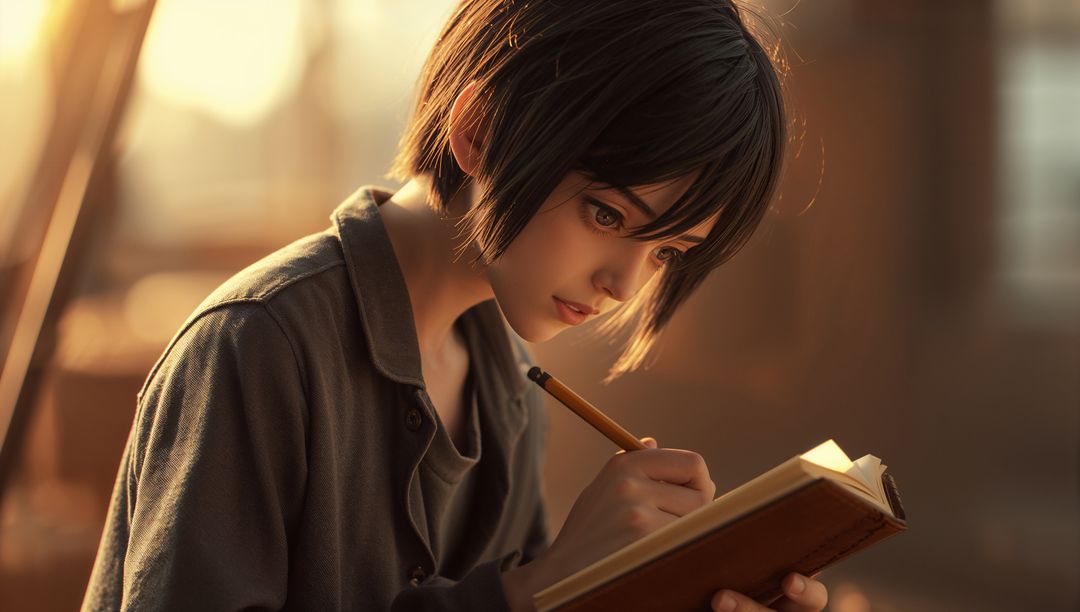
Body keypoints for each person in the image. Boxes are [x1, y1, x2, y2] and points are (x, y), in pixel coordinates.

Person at [82, 1, 829, 610]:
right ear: (477, 131)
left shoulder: (509, 381)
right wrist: (530, 588)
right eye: (606, 215)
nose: (624, 286)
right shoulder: (260, 344)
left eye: (666, 251)